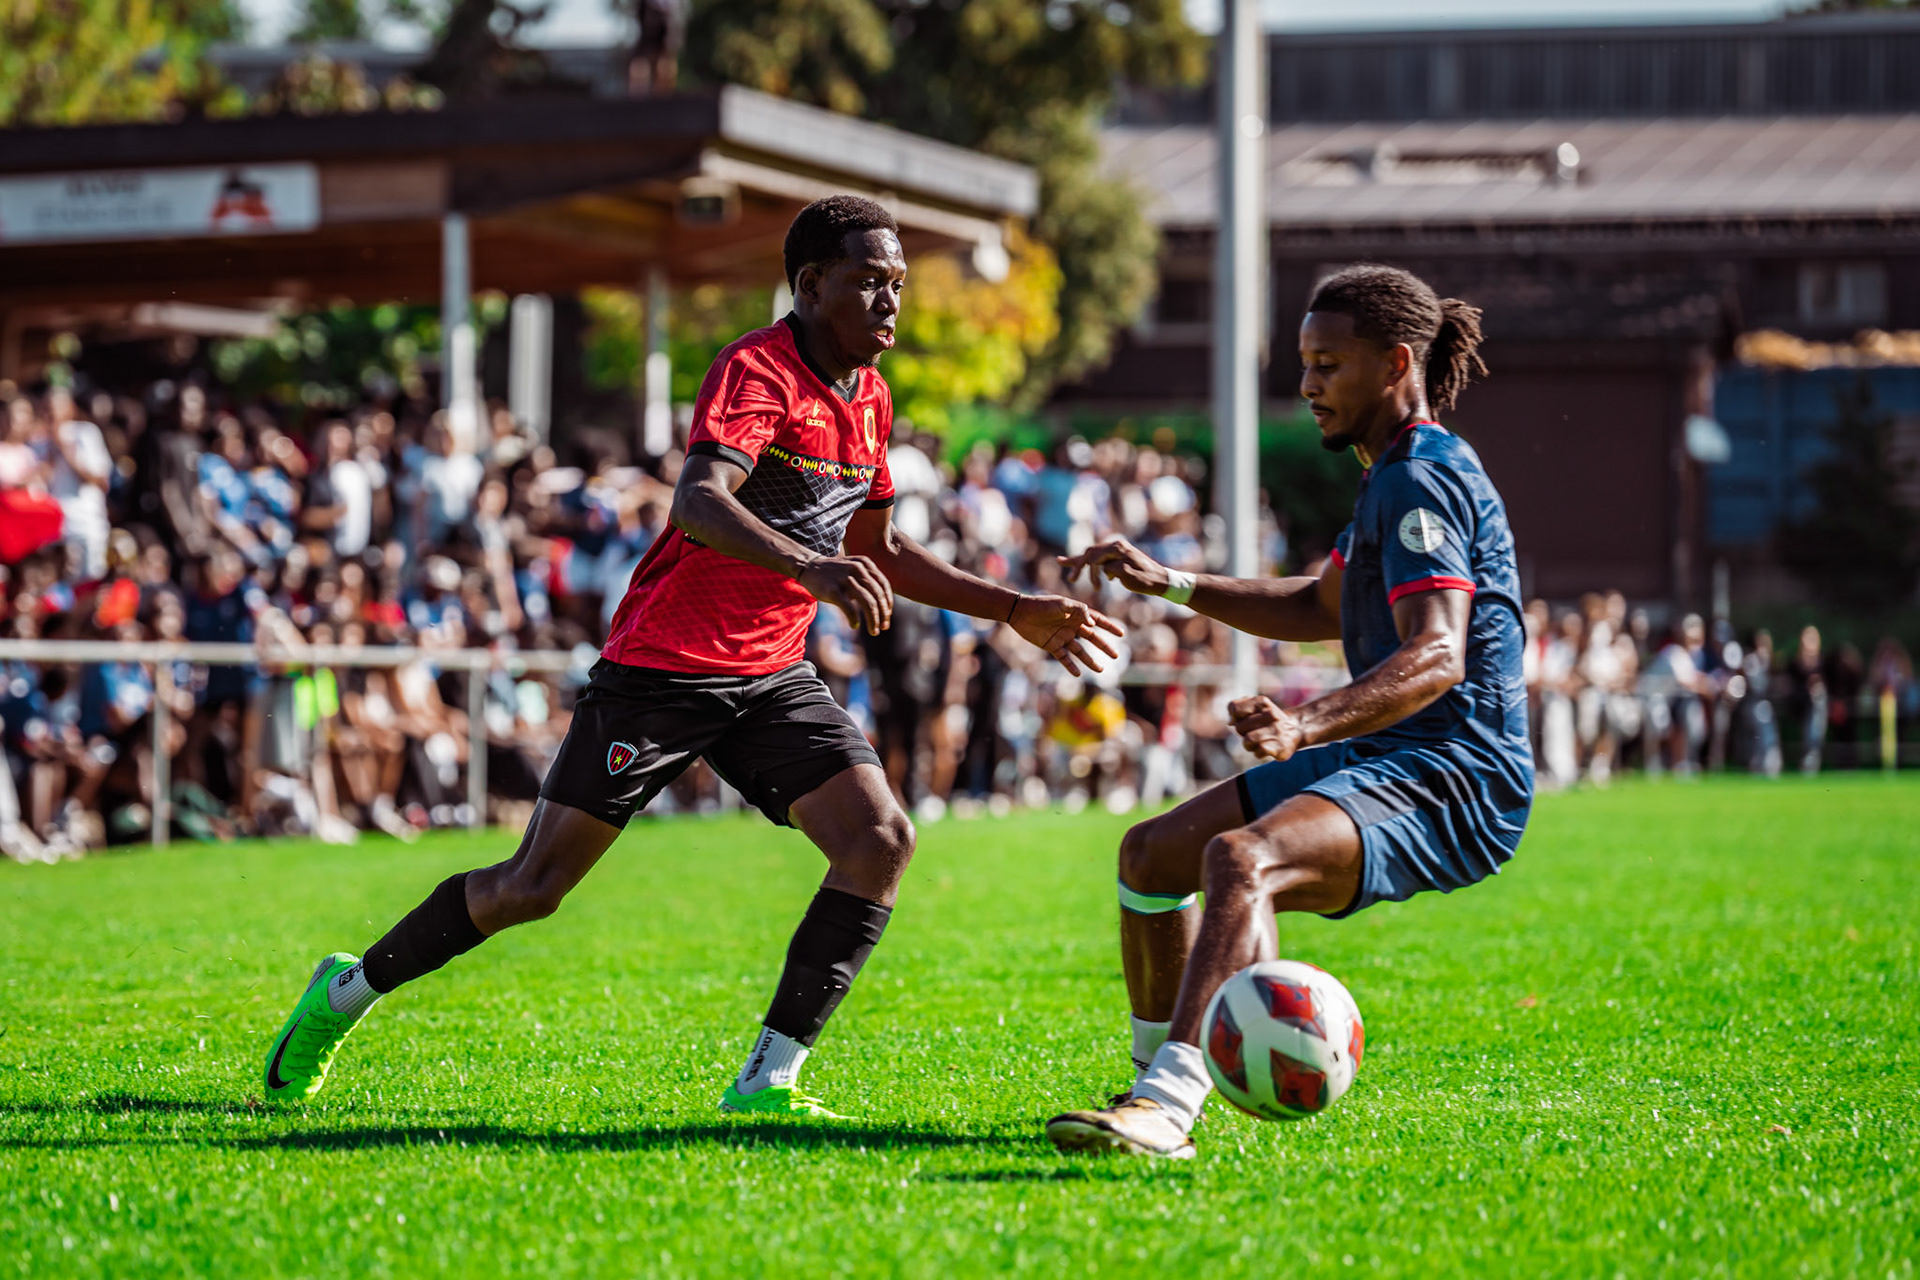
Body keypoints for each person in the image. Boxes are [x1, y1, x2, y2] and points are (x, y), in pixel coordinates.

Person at [260, 195, 1122, 1117]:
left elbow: (883, 551)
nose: (890, 304)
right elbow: (699, 502)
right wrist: (812, 568)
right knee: (532, 888)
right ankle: (345, 992)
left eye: (898, 286)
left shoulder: (870, 398)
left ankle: (768, 1081)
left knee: (881, 841)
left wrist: (1015, 606)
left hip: (771, 674)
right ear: (810, 285)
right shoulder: (757, 368)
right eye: (871, 284)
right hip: (664, 669)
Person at [1043, 263, 1530, 1159]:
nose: (1306, 385)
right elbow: (1318, 604)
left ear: (1395, 363)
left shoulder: (1422, 477)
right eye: (1303, 363)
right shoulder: (1391, 474)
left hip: (1456, 770)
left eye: (1327, 364)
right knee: (1152, 858)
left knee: (1241, 856)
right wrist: (1173, 582)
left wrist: (1307, 722)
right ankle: (1151, 1080)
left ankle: (1168, 1107)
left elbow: (1438, 653)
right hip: (1389, 752)